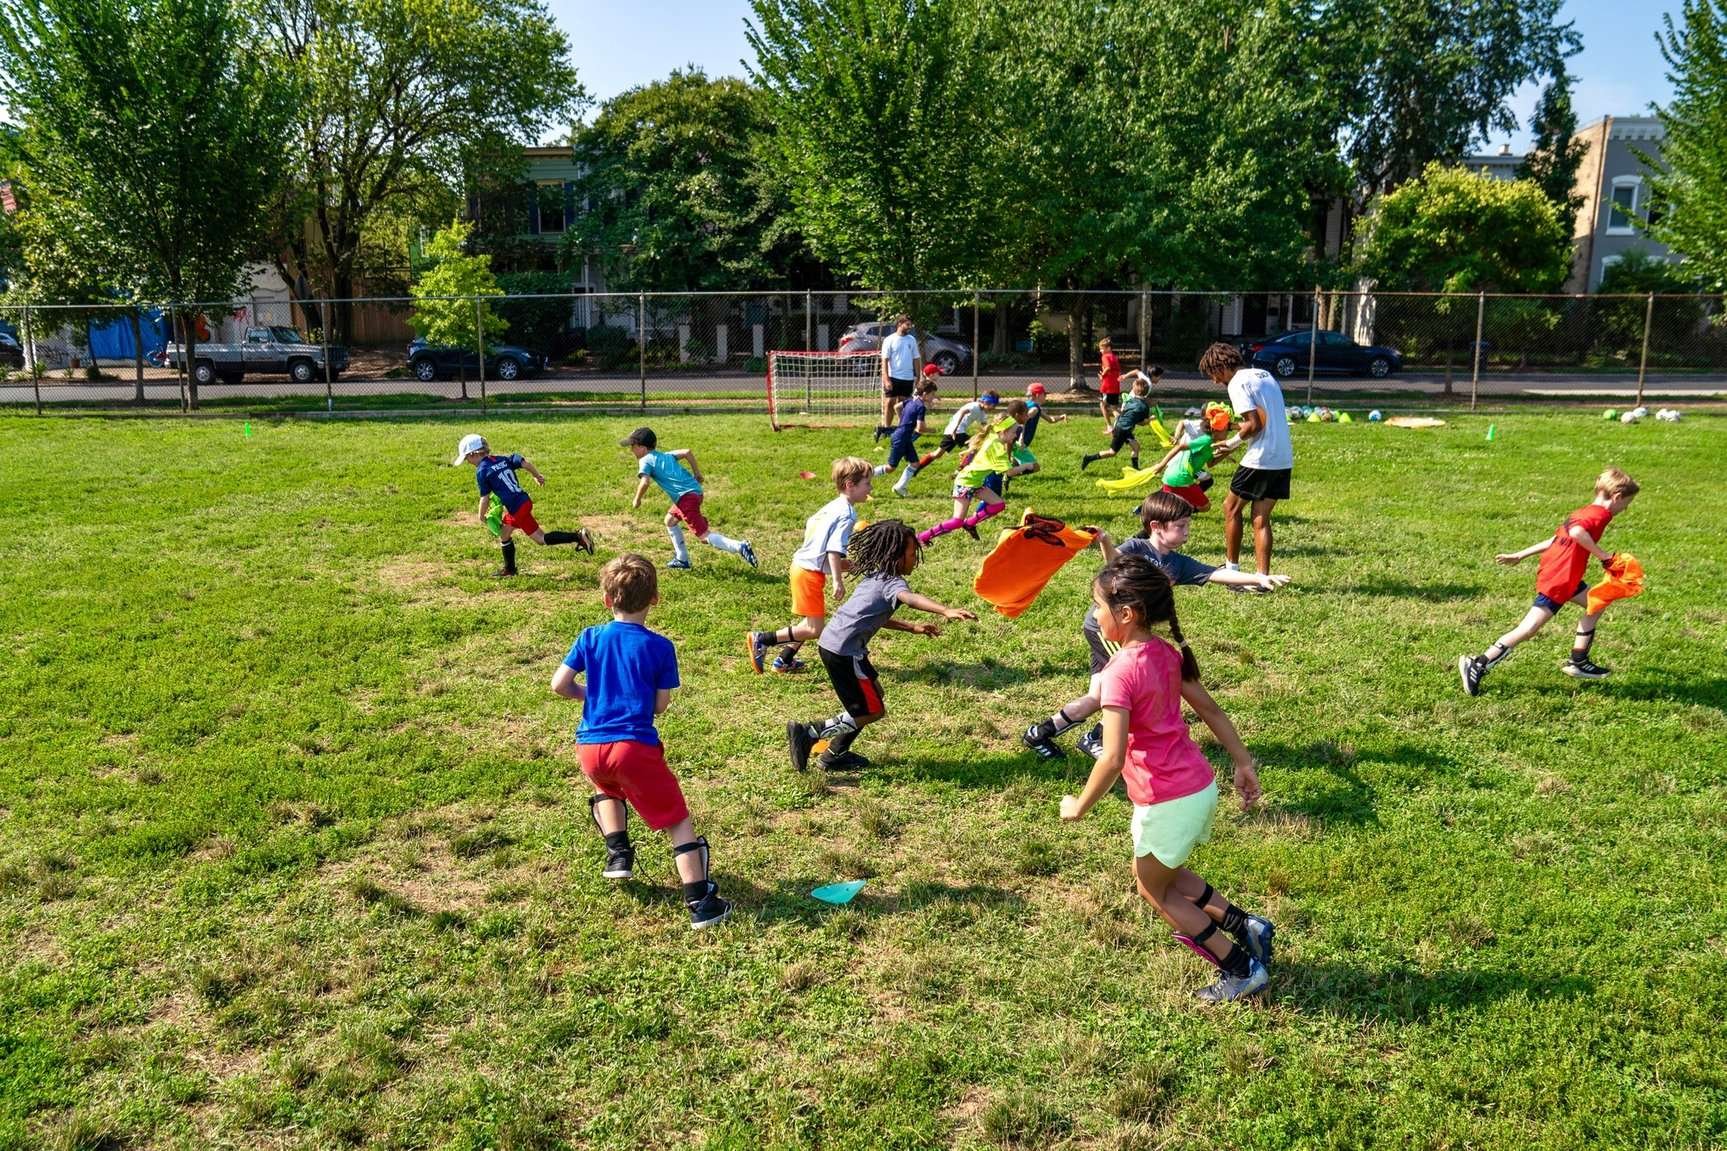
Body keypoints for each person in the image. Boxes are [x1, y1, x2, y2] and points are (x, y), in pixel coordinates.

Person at [1058, 554, 1273, 1003]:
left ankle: (1240, 969)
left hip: (1166, 798)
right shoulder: (1165, 654)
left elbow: (1112, 756)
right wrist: (1243, 761)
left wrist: (1079, 806)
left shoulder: (1118, 673)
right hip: (1197, 787)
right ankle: (1247, 926)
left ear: (1126, 614)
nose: (1095, 615)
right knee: (1169, 873)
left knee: (1154, 890)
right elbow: (1211, 709)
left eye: (1098, 606)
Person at [1022, 491, 1288, 761]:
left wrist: (1257, 578)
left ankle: (1041, 733)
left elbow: (1215, 573)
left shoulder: (1176, 563)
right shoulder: (1138, 549)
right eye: (1181, 526)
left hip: (1123, 629)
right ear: (1156, 527)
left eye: (1188, 525)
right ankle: (1097, 738)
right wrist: (1106, 542)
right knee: (1135, 686)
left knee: (1098, 695)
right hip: (1109, 627)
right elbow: (1115, 564)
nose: (1187, 532)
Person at [551, 554, 731, 929]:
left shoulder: (590, 636)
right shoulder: (660, 647)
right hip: (633, 747)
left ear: (606, 600)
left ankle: (618, 855)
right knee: (678, 820)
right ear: (655, 599)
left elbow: (559, 685)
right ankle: (700, 901)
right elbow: (660, 706)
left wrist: (595, 695)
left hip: (589, 747)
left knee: (608, 789)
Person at [785, 520, 976, 771]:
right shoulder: (894, 584)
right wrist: (945, 610)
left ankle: (835, 753)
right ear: (896, 557)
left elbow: (871, 616)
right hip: (845, 651)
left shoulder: (876, 575)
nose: (914, 560)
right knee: (872, 711)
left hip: (837, 644)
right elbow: (910, 599)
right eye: (911, 555)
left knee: (874, 695)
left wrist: (913, 628)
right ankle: (810, 733)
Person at [1458, 467, 1640, 695]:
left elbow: (1558, 538)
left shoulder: (1584, 511)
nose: (1625, 509)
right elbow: (1575, 534)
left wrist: (1521, 554)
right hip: (1560, 579)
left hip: (1563, 573)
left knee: (1597, 602)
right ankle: (1478, 664)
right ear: (1617, 497)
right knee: (1529, 628)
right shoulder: (1601, 515)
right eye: (1627, 503)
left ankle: (1579, 661)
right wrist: (1604, 557)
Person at [748, 456, 875, 674]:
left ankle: (784, 661)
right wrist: (837, 580)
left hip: (804, 567)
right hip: (808, 572)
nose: (870, 488)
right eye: (867, 483)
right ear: (849, 485)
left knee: (810, 622)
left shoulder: (834, 506)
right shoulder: (847, 514)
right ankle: (763, 639)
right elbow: (834, 549)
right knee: (814, 629)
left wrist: (849, 565)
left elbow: (815, 531)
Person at [1198, 342, 1291, 578]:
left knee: (1230, 508)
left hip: (1260, 458)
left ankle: (1232, 571)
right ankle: (1262, 578)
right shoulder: (1264, 375)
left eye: (1214, 374)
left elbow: (1254, 424)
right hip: (1281, 457)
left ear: (1221, 366)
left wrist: (1230, 443)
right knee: (1260, 519)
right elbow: (1262, 419)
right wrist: (1231, 427)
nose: (1216, 381)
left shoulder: (1237, 382)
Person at [453, 433, 594, 577]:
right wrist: (536, 475)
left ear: (473, 454)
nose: (468, 462)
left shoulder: (482, 470)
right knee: (522, 536)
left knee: (522, 536)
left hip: (516, 508)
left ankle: (510, 570)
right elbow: (523, 462)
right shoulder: (501, 459)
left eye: (467, 458)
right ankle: (578, 537)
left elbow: (485, 498)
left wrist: (481, 516)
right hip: (523, 501)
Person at [622, 426, 758, 571]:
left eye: (633, 446)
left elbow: (645, 482)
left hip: (686, 499)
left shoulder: (645, 460)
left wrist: (637, 500)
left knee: (703, 536)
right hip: (695, 492)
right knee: (670, 520)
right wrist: (697, 473)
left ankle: (739, 546)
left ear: (642, 448)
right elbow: (687, 452)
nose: (631, 450)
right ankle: (682, 559)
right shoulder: (666, 455)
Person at [918, 419, 1028, 545]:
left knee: (998, 505)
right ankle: (921, 537)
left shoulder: (994, 437)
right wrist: (1026, 466)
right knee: (956, 521)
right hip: (966, 483)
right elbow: (1009, 472)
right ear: (1004, 431)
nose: (1016, 435)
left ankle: (969, 524)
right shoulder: (997, 448)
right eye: (1014, 432)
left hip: (976, 483)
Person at [895, 390, 999, 494]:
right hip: (956, 432)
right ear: (986, 402)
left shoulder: (981, 412)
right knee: (975, 449)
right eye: (993, 405)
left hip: (953, 431)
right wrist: (954, 429)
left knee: (937, 454)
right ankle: (959, 471)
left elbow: (984, 426)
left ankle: (917, 468)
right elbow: (962, 412)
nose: (993, 408)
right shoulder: (974, 406)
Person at [1147, 420, 1237, 513]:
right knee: (1205, 506)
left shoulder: (1210, 444)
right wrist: (1162, 464)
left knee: (1167, 508)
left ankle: (1173, 513)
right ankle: (1180, 513)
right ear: (1216, 431)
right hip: (1181, 477)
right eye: (1226, 430)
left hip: (1175, 476)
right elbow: (1180, 447)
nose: (1228, 433)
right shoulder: (1205, 440)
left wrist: (1228, 452)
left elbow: (1211, 463)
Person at [877, 371, 939, 496]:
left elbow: (897, 407)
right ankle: (864, 476)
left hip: (904, 437)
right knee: (890, 468)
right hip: (901, 438)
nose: (933, 397)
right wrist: (932, 430)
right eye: (932, 394)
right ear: (925, 394)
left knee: (915, 464)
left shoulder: (912, 400)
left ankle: (900, 487)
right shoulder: (921, 406)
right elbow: (920, 428)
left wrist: (902, 421)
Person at [1080, 375, 1155, 471]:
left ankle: (1135, 469)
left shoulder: (1130, 401)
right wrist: (1151, 419)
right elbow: (1142, 423)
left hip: (1122, 427)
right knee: (1112, 452)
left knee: (1136, 447)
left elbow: (1128, 415)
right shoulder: (1144, 407)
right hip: (1123, 430)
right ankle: (1088, 458)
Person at [874, 314, 923, 441]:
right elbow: (884, 360)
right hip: (893, 376)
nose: (909, 327)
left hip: (907, 378)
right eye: (907, 324)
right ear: (900, 324)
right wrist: (886, 378)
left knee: (904, 405)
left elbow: (916, 358)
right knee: (889, 403)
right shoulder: (889, 340)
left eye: (910, 325)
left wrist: (918, 376)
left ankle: (903, 431)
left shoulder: (911, 340)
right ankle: (886, 429)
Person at [1020, 381, 1067, 450]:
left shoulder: (1032, 406)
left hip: (1019, 443)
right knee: (1030, 461)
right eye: (1044, 394)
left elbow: (1050, 419)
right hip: (1020, 444)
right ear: (1037, 395)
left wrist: (1061, 417)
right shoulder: (1034, 409)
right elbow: (1021, 421)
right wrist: (1021, 439)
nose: (1046, 396)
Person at [1097, 337, 1122, 428]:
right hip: (1115, 386)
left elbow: (1108, 368)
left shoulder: (1105, 356)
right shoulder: (1114, 357)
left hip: (1107, 387)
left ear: (1108, 348)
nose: (1100, 351)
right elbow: (1118, 371)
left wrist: (1102, 376)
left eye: (1102, 348)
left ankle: (1110, 426)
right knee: (1113, 407)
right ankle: (1120, 422)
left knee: (1102, 405)